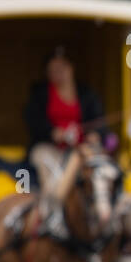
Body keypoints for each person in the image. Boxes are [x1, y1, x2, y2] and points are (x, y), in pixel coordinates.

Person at [25, 47, 106, 193]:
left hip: (82, 148)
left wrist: (95, 135)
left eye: (61, 68)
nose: (58, 74)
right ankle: (52, 205)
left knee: (101, 169)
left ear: (71, 68)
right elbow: (33, 121)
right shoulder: (40, 93)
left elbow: (99, 121)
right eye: (53, 70)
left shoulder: (87, 94)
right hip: (50, 149)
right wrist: (54, 133)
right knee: (48, 165)